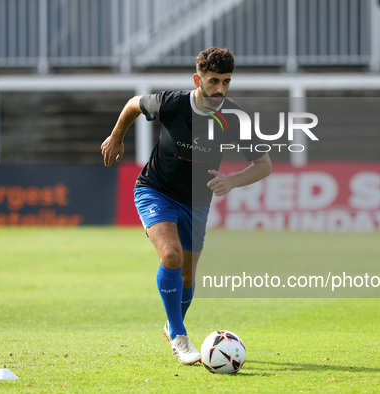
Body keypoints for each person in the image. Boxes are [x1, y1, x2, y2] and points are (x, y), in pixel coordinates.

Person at [101, 47, 272, 365]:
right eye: (213, 81)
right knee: (171, 255)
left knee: (189, 277)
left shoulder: (235, 118)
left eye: (226, 82)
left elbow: (264, 164)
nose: (220, 89)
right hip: (155, 190)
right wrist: (116, 137)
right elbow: (132, 104)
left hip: (197, 203)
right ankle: (179, 337)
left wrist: (232, 181)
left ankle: (171, 324)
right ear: (198, 79)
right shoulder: (172, 103)